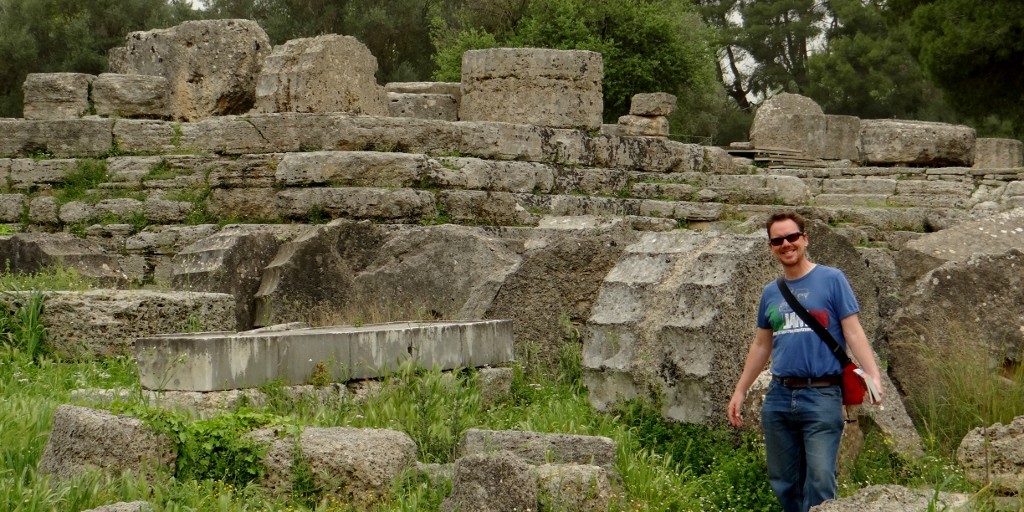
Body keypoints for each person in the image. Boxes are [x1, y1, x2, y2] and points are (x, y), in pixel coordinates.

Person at [726, 211, 884, 512]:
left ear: (805, 239)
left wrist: (873, 376)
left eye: (792, 237)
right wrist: (741, 389)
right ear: (771, 247)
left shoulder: (832, 279)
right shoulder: (771, 293)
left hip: (822, 394)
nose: (786, 244)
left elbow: (853, 331)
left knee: (821, 479)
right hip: (779, 395)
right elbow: (762, 344)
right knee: (783, 479)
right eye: (777, 240)